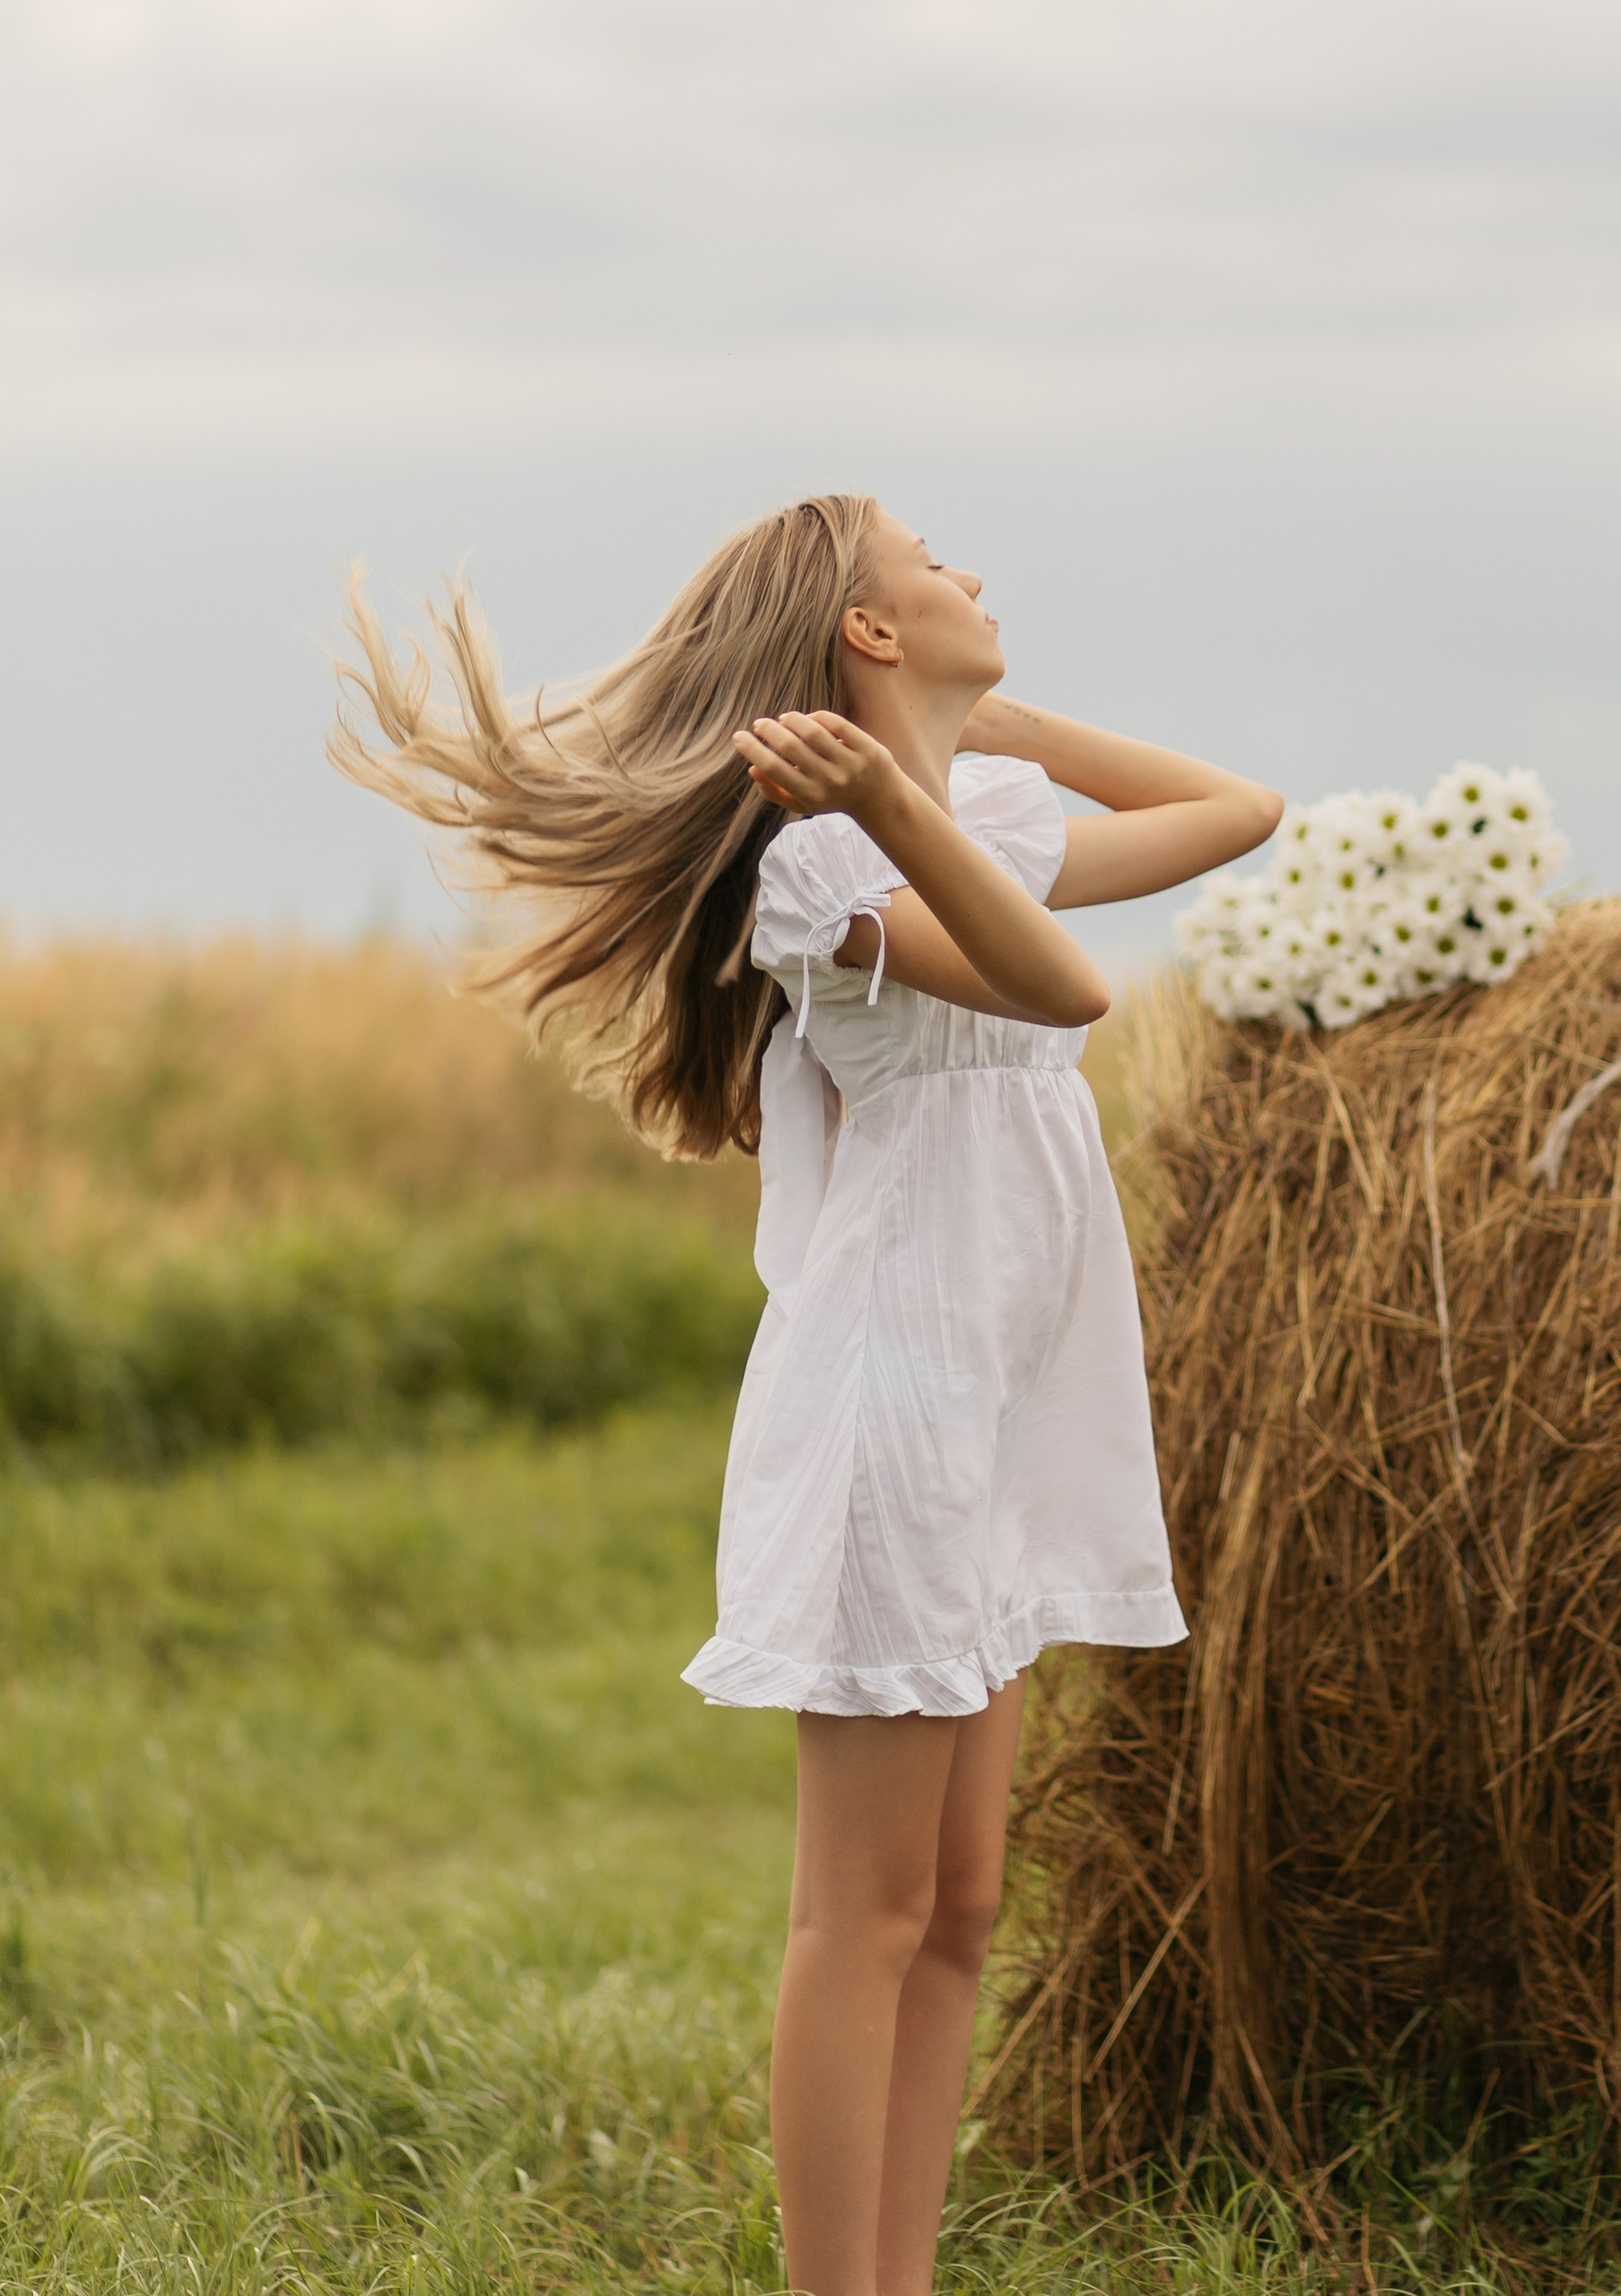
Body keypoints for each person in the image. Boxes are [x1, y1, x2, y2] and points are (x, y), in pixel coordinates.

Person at [330, 492, 1283, 2296]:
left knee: (962, 1904)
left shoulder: (954, 813)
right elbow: (1056, 981)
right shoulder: (811, 867)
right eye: (937, 567)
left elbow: (1236, 809)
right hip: (891, 1403)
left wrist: (980, 733)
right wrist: (890, 796)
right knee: (861, 1909)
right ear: (864, 631)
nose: (975, 575)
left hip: (1000, 1396)